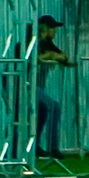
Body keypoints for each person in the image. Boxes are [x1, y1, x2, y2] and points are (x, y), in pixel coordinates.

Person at [31, 15, 74, 160]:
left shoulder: (48, 43)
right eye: (52, 28)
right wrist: (50, 56)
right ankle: (52, 147)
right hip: (23, 86)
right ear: (43, 29)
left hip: (36, 86)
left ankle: (39, 147)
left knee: (43, 110)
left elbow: (64, 56)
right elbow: (36, 59)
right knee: (52, 106)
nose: (54, 31)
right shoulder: (30, 42)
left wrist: (51, 55)